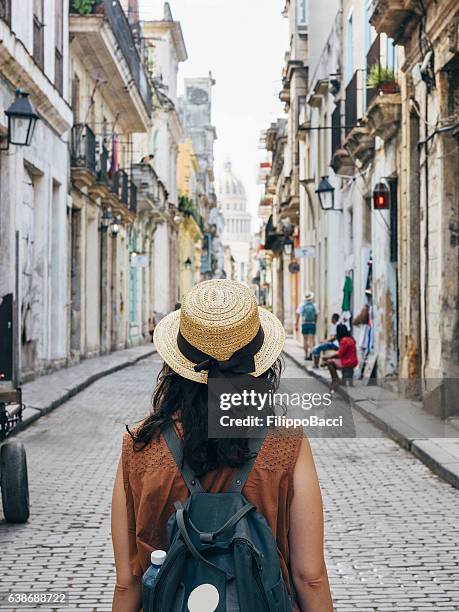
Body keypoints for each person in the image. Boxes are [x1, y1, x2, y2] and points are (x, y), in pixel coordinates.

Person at [111, 279, 333, 612]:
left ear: (175, 366)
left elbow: (128, 581)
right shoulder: (286, 443)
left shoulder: (138, 446)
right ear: (259, 365)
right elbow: (309, 576)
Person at [322, 323, 358, 391]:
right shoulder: (350, 339)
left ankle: (335, 379)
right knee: (329, 360)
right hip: (353, 361)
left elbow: (340, 354)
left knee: (329, 362)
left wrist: (328, 357)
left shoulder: (344, 340)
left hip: (347, 362)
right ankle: (341, 381)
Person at [295, 291, 317, 361]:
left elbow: (298, 315)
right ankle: (311, 353)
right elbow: (316, 315)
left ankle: (306, 355)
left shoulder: (302, 305)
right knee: (312, 340)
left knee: (305, 340)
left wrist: (296, 324)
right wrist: (315, 322)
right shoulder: (314, 305)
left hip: (304, 324)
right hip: (312, 324)